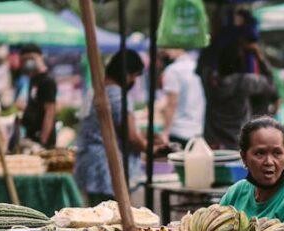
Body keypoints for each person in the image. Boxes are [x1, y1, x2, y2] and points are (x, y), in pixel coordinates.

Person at [74, 49, 161, 206]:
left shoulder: (95, 90)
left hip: (90, 166)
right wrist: (151, 150)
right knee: (111, 220)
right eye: (134, 75)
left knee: (98, 216)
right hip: (107, 169)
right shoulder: (117, 95)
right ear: (126, 73)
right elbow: (131, 136)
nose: (133, 81)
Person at [203, 42, 276, 150]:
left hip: (213, 144)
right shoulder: (244, 82)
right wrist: (258, 54)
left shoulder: (209, 81)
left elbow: (203, 64)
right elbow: (270, 83)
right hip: (237, 143)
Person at [160, 49, 205, 147]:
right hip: (198, 130)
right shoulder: (197, 66)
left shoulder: (172, 70)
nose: (164, 51)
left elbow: (171, 102)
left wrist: (165, 132)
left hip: (178, 131)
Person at [19, 44, 57, 147]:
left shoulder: (47, 81)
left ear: (40, 57)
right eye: (25, 60)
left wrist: (43, 141)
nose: (28, 62)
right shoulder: (33, 79)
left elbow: (50, 111)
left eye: (31, 58)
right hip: (31, 135)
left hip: (41, 138)